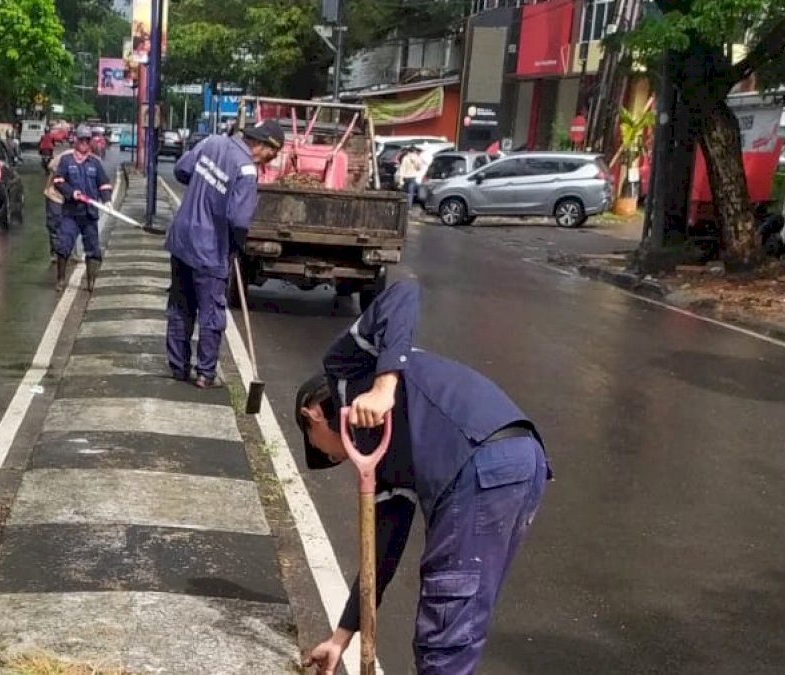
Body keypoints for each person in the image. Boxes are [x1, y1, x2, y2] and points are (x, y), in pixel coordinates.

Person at [297, 280, 550, 675]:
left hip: (478, 461)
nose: (338, 456)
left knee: (446, 635)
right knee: (460, 621)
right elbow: (379, 556)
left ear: (312, 415)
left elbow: (403, 292)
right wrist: (340, 640)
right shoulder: (386, 461)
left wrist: (384, 387)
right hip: (519, 460)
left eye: (325, 449)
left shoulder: (344, 369)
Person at [165, 119, 283, 388]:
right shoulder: (247, 170)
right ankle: (206, 373)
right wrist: (238, 246)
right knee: (211, 311)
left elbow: (182, 169)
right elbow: (239, 219)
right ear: (263, 145)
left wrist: (202, 190)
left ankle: (178, 367)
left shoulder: (212, 142)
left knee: (180, 305)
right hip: (210, 248)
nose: (269, 161)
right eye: (272, 155)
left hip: (182, 238)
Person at [51, 125, 112, 292]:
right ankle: (61, 280)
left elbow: (104, 184)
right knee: (64, 245)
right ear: (76, 140)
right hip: (71, 213)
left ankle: (91, 281)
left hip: (89, 214)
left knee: (93, 249)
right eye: (81, 139)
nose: (84, 143)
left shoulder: (95, 163)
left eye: (87, 140)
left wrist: (107, 200)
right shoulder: (67, 161)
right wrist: (72, 193)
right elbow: (58, 182)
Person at [43, 146, 76, 264]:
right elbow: (51, 166)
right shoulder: (66, 156)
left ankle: (70, 252)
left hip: (72, 198)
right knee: (55, 224)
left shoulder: (90, 160)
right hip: (55, 195)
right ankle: (55, 253)